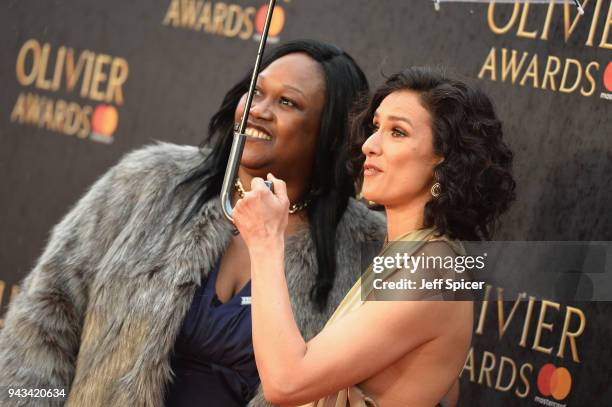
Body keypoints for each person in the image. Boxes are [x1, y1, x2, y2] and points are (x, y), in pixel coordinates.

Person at [0, 40, 386, 407]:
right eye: (256, 90)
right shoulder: (152, 180)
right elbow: (45, 315)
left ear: (331, 132)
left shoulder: (366, 248)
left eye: (287, 102)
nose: (256, 109)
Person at [233, 67, 516, 406]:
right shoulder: (409, 255)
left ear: (444, 162)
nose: (369, 145)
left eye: (397, 132)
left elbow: (286, 383)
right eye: (376, 127)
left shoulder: (432, 271)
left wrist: (265, 243)